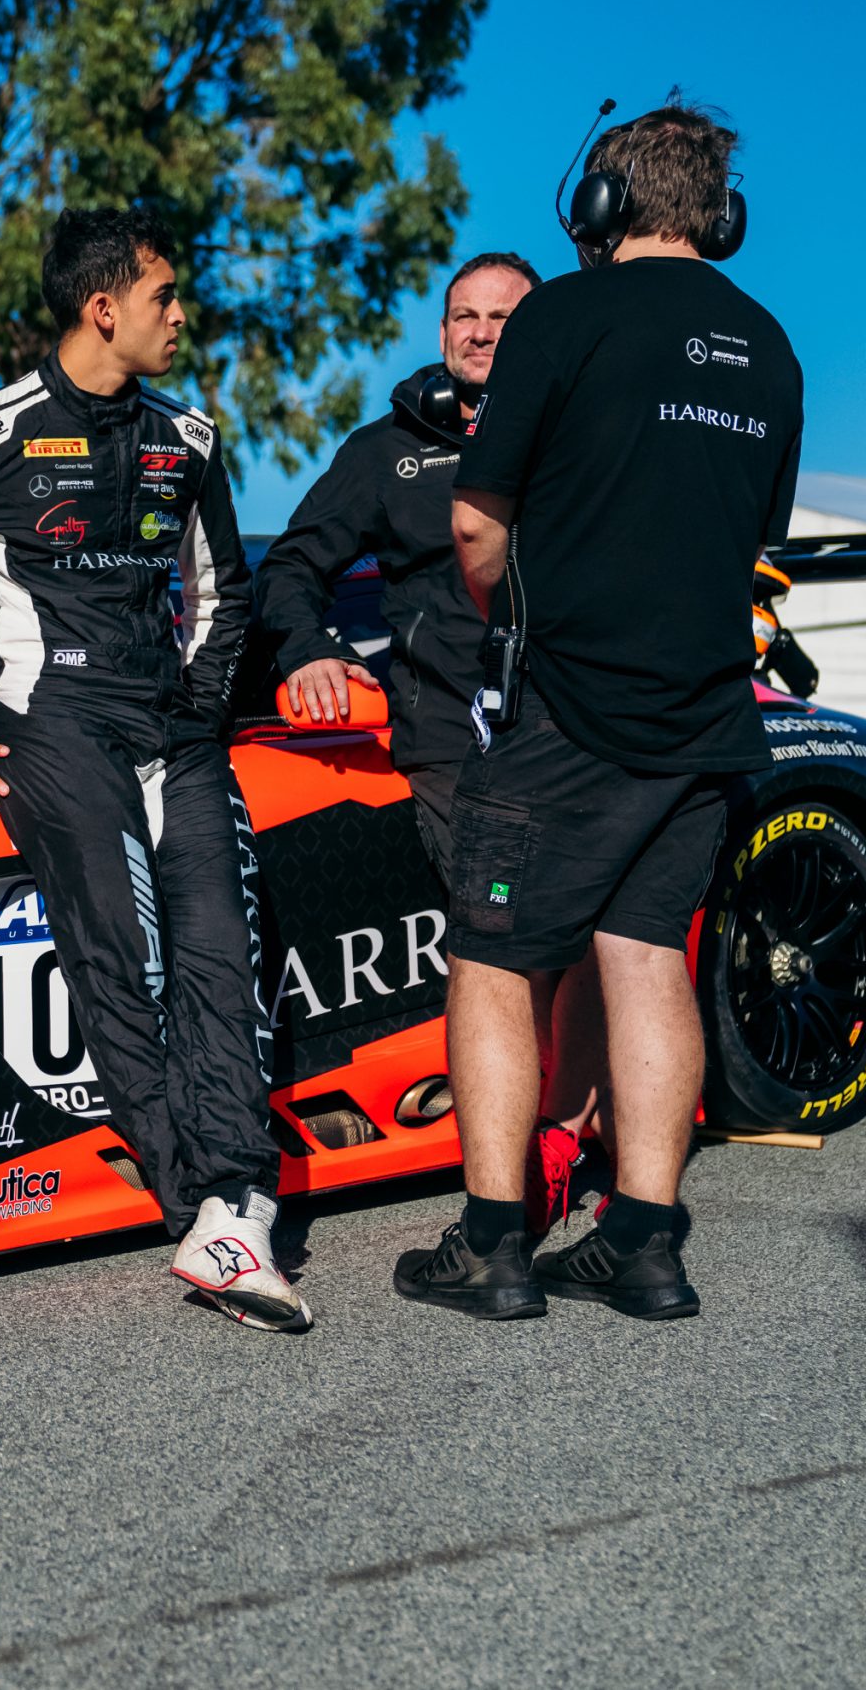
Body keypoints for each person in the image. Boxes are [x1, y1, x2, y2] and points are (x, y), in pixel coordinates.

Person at [0, 205, 306, 1334]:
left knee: (221, 959)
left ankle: (238, 1206)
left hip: (173, 738)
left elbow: (226, 593)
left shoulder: (188, 438)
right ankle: (202, 1208)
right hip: (49, 728)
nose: (181, 317)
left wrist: (195, 709)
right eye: (163, 299)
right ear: (104, 309)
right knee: (122, 961)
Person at [395, 97, 803, 1322]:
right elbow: (754, 542)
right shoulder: (770, 343)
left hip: (569, 709)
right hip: (706, 717)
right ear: (717, 216)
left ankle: (490, 1244)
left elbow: (476, 522)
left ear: (600, 207)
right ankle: (643, 1242)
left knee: (490, 959)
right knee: (643, 958)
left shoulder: (562, 315)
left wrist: (511, 614)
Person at [252, 251, 611, 1237]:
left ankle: (575, 1126)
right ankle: (531, 1148)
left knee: (614, 928)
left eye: (503, 315)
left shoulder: (586, 431)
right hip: (456, 738)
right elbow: (287, 567)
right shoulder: (386, 451)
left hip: (586, 720)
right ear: (441, 332)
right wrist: (310, 650)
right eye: (463, 315)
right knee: (524, 933)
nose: (481, 330)